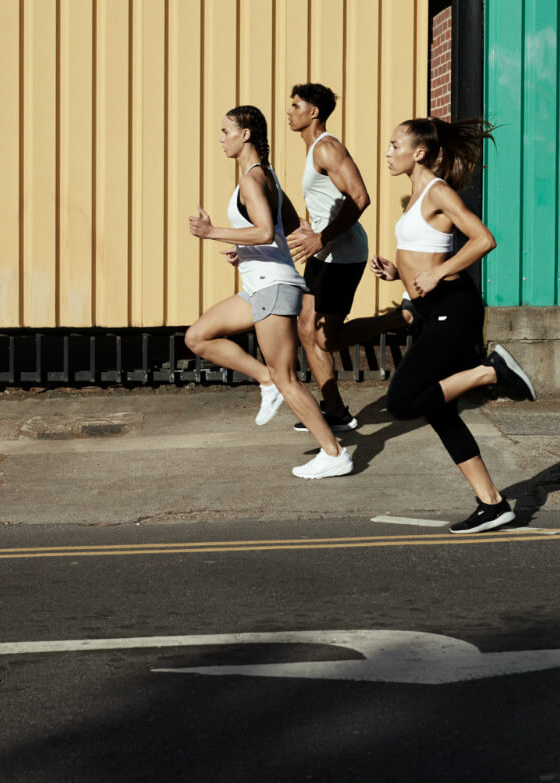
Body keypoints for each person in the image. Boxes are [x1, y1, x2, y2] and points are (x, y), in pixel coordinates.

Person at [371, 116, 536, 534]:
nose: (388, 153)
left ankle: (489, 371)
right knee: (440, 413)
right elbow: (422, 253)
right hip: (432, 310)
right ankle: (493, 504)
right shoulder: (415, 195)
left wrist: (438, 272)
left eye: (395, 145)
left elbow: (483, 239)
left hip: (453, 307)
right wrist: (399, 274)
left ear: (419, 152)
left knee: (402, 403)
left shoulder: (437, 190)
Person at [185, 104, 353, 479]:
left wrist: (212, 232)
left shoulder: (252, 178)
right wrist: (243, 250)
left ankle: (334, 452)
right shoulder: (266, 176)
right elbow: (287, 226)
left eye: (226, 131)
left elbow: (263, 231)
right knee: (197, 337)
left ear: (246, 134)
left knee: (287, 377)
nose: (221, 139)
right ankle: (264, 379)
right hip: (258, 287)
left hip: (274, 288)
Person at [287, 83, 405, 435]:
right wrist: (314, 227)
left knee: (328, 339)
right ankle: (335, 411)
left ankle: (401, 318)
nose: (289, 112)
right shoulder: (312, 151)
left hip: (343, 254)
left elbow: (359, 197)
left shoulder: (327, 147)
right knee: (306, 328)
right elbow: (330, 199)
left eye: (296, 106)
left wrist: (321, 236)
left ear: (314, 113)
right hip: (325, 252)